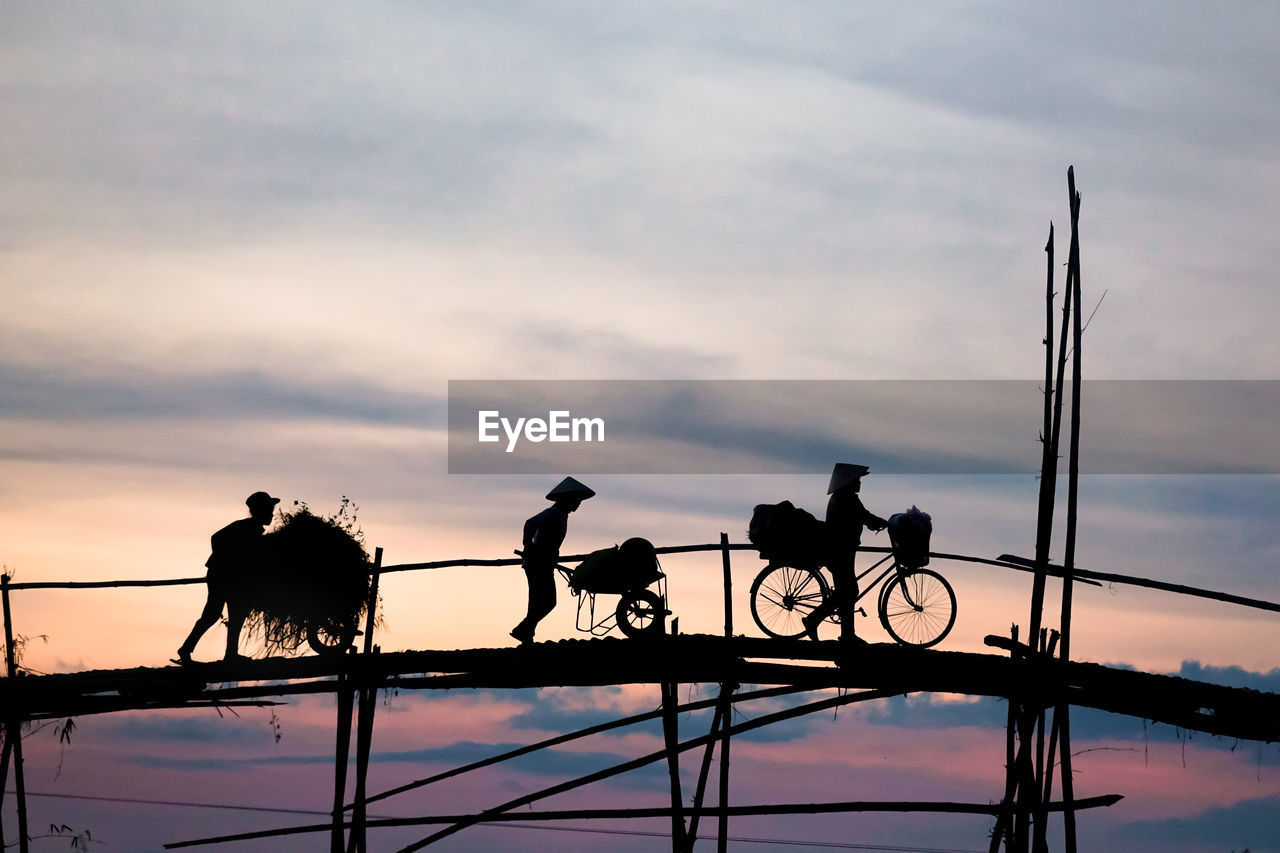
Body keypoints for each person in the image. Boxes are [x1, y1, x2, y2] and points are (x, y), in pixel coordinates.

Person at [174, 491, 279, 664]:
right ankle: (195, 649)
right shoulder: (246, 527)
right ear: (259, 511)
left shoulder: (253, 530)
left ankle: (223, 653)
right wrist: (228, 561)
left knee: (228, 613)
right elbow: (216, 538)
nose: (272, 514)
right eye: (269, 510)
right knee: (218, 613)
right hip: (224, 576)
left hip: (228, 576)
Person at [803, 463, 886, 644]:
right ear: (848, 481)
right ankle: (814, 620)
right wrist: (882, 523)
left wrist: (875, 522)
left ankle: (847, 634)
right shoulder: (847, 499)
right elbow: (865, 517)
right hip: (839, 550)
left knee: (847, 590)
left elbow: (864, 516)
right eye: (857, 480)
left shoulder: (842, 497)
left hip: (840, 549)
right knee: (848, 591)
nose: (859, 483)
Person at [510, 477, 595, 644]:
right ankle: (523, 630)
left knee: (540, 601)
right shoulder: (553, 513)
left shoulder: (562, 515)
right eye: (576, 501)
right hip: (537, 563)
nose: (578, 504)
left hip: (545, 563)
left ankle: (525, 632)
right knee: (545, 601)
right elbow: (530, 524)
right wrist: (528, 547)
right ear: (567, 499)